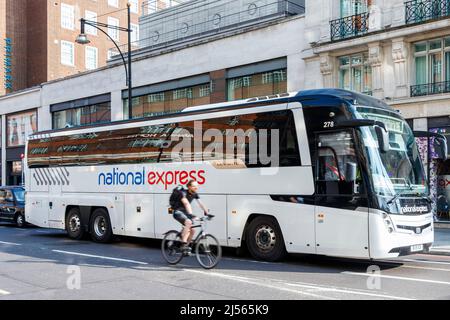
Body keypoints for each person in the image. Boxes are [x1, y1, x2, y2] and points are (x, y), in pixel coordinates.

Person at [171, 180, 209, 252]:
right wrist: (191, 215)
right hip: (178, 212)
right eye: (194, 186)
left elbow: (201, 204)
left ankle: (186, 248)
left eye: (197, 186)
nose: (196, 187)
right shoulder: (183, 193)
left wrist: (207, 213)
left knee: (193, 230)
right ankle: (184, 242)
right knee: (188, 222)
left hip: (185, 213)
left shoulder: (195, 194)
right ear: (189, 187)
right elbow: (186, 204)